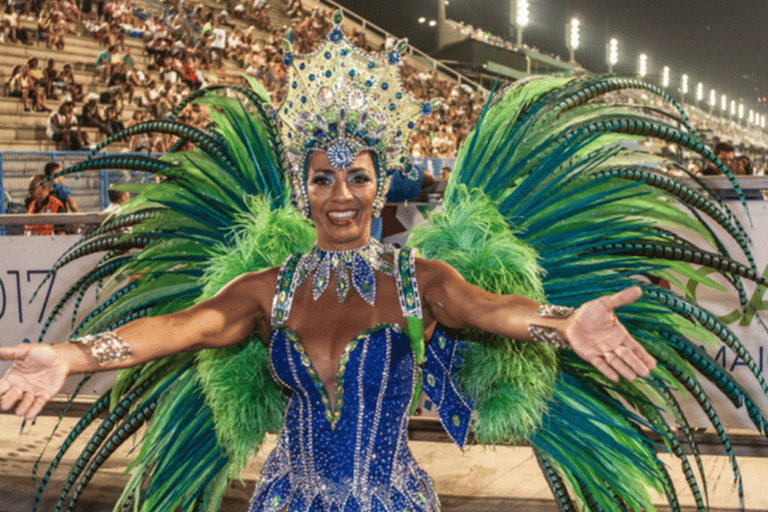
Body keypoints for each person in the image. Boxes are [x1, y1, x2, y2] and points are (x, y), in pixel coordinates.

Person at [0, 12, 762, 512]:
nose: (341, 195)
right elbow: (182, 326)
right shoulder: (268, 287)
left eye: (358, 177)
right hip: (286, 500)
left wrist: (564, 322)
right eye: (323, 178)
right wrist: (69, 355)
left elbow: (489, 310)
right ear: (303, 189)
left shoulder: (418, 279)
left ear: (380, 185)